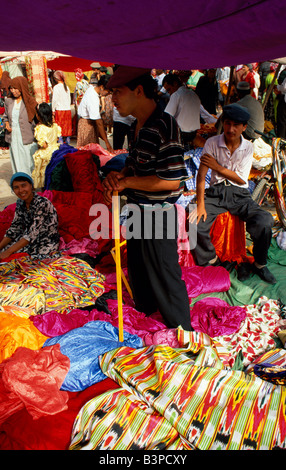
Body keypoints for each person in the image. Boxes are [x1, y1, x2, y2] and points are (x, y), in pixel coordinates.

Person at [102, 66, 192, 331]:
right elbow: (133, 163)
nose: (113, 98)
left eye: (118, 91)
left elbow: (172, 180)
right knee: (139, 268)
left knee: (164, 272)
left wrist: (127, 182)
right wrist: (119, 177)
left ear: (138, 91)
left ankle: (184, 332)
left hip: (157, 212)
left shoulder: (164, 125)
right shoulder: (137, 125)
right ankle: (146, 316)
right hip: (136, 209)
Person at [189, 103, 276, 284]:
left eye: (236, 125)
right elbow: (201, 176)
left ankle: (260, 263)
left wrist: (217, 167)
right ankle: (211, 261)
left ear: (244, 127)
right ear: (223, 124)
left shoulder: (248, 147)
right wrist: (200, 204)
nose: (231, 129)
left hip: (239, 195)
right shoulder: (212, 143)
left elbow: (241, 180)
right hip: (215, 193)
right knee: (193, 222)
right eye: (227, 123)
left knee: (265, 220)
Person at [0, 172, 60, 260]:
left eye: (23, 185)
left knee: (19, 260)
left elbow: (32, 234)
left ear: (31, 186)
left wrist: (8, 252)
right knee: (4, 252)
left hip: (45, 241)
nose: (21, 190)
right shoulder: (20, 203)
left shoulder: (42, 203)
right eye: (16, 188)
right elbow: (15, 227)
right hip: (27, 238)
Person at [2, 76, 38, 175]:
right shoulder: (9, 101)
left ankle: (30, 182)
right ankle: (19, 181)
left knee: (28, 159)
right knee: (17, 158)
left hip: (27, 135)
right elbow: (5, 117)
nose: (13, 91)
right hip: (13, 136)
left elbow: (38, 120)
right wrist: (7, 124)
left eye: (15, 88)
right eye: (11, 88)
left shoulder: (30, 102)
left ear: (22, 87)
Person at [162, 73, 201, 149]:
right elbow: (203, 112)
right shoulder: (194, 94)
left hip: (181, 135)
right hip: (193, 134)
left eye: (169, 89)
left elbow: (167, 117)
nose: (169, 93)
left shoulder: (176, 95)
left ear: (175, 84)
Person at [77, 75, 113, 151]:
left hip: (89, 124)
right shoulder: (93, 97)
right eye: (108, 92)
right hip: (87, 126)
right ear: (102, 87)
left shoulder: (91, 90)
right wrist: (107, 143)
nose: (108, 94)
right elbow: (98, 122)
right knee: (88, 153)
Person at [32, 102, 62, 188]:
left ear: (39, 116)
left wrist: (39, 144)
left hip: (45, 155)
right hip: (55, 151)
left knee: (43, 176)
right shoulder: (55, 126)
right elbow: (56, 139)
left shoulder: (40, 128)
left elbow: (44, 145)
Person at [51, 70, 72, 144]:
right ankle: (68, 144)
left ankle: (61, 145)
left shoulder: (56, 87)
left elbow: (54, 100)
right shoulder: (67, 87)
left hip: (60, 110)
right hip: (67, 110)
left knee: (60, 130)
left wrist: (53, 109)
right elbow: (69, 100)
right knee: (67, 129)